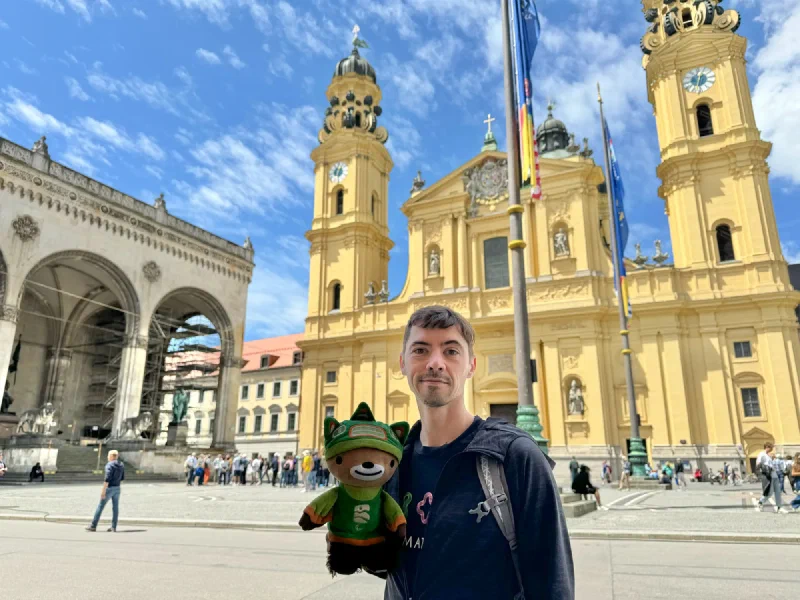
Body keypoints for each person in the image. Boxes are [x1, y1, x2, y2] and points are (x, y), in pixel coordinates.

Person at [378, 306, 574, 599]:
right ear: (402, 363)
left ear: (471, 366)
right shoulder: (393, 462)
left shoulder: (515, 457)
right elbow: (393, 568)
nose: (435, 363)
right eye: (420, 350)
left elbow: (552, 585)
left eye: (451, 351)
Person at [86, 450, 125, 532]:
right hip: (117, 488)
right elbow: (122, 478)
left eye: (108, 456)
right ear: (116, 456)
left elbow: (107, 478)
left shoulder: (109, 465)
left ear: (111, 456)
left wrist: (103, 491)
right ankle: (114, 527)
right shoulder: (121, 465)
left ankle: (93, 525)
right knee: (115, 508)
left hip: (109, 488)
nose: (107, 457)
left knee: (100, 506)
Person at [756, 442, 775, 510]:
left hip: (770, 473)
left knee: (770, 491)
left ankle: (761, 502)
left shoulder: (767, 455)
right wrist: (759, 473)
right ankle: (760, 503)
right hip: (765, 473)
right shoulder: (762, 454)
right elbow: (758, 463)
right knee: (767, 489)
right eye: (771, 448)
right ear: (767, 447)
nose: (772, 449)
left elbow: (770, 465)